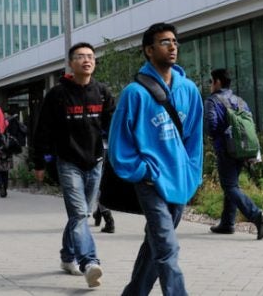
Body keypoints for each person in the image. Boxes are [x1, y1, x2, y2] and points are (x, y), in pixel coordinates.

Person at [108, 22, 203, 296]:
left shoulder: (189, 90)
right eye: (165, 42)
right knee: (168, 247)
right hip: (150, 183)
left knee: (156, 246)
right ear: (149, 50)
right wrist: (142, 172)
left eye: (174, 41)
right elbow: (119, 144)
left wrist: (192, 172)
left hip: (179, 181)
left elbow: (194, 138)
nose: (172, 46)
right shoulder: (134, 93)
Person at [33, 42, 115, 289]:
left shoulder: (102, 92)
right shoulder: (57, 95)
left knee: (81, 215)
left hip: (96, 162)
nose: (86, 60)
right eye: (80, 56)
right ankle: (89, 262)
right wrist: (39, 162)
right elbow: (42, 130)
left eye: (90, 56)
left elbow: (114, 126)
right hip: (68, 163)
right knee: (80, 214)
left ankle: (67, 256)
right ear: (71, 63)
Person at [204, 68, 263, 239]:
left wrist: (214, 137)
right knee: (231, 185)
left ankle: (256, 214)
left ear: (217, 82)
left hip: (225, 149)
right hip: (242, 149)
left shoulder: (212, 101)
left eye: (211, 81)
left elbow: (212, 124)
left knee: (230, 186)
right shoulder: (240, 101)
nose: (210, 85)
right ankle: (227, 223)